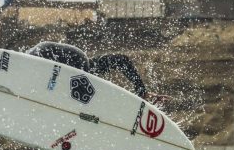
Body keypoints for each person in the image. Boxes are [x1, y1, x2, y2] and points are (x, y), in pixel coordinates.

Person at [26, 41, 169, 105]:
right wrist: (141, 90)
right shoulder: (85, 71)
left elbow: (122, 60)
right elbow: (122, 60)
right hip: (47, 58)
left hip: (52, 59)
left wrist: (141, 91)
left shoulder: (83, 73)